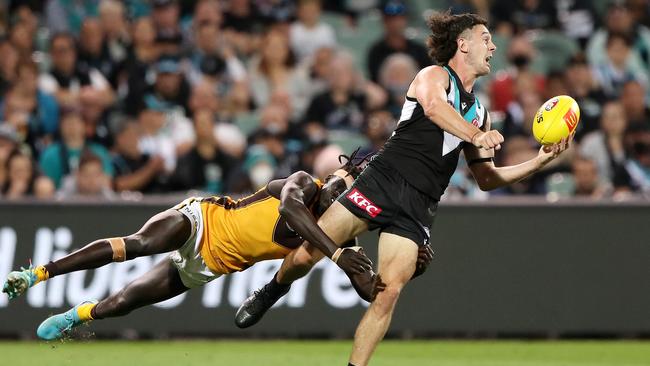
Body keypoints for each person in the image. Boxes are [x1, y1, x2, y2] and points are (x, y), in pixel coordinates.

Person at [235, 12, 573, 366]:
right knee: (307, 254)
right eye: (485, 38)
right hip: (384, 180)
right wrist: (476, 135)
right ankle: (274, 288)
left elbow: (486, 178)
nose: (493, 46)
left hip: (420, 205)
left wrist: (539, 162)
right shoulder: (433, 76)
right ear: (463, 44)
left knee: (387, 292)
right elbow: (432, 107)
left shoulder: (480, 113)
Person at [2, 152, 432, 340]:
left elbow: (368, 290)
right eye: (349, 183)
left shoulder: (343, 234)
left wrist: (407, 268)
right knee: (138, 244)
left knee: (123, 303)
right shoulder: (304, 183)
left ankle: (76, 317)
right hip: (202, 220)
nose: (346, 194)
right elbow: (292, 215)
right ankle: (37, 273)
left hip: (210, 265)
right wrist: (340, 256)